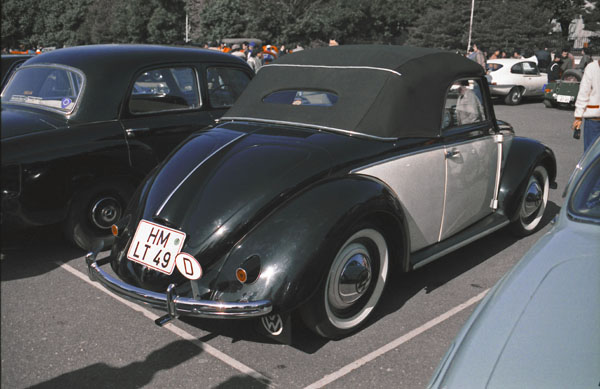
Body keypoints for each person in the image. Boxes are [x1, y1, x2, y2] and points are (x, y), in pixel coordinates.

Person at [572, 59, 600, 151]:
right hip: (594, 117)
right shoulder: (591, 67)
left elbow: (584, 92)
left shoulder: (591, 67)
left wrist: (578, 116)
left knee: (591, 153)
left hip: (594, 117)